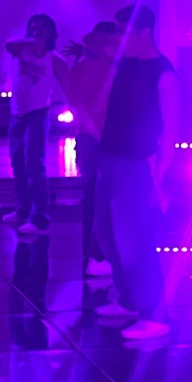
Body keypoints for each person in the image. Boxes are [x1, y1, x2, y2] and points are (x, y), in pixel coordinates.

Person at [94, 3, 178, 339]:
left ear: (143, 32)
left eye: (123, 31)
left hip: (137, 165)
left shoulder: (164, 74)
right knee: (107, 235)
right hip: (111, 158)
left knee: (136, 242)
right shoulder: (127, 65)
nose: (118, 38)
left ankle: (155, 315)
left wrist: (161, 180)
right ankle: (129, 300)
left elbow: (171, 131)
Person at [4, 14, 67, 236]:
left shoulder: (54, 59)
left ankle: (40, 216)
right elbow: (9, 45)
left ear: (50, 32)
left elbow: (68, 84)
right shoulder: (21, 50)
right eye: (33, 28)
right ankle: (23, 208)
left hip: (38, 113)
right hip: (17, 113)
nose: (36, 32)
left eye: (41, 29)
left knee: (34, 163)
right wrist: (30, 42)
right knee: (17, 162)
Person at [64, 22, 118, 278]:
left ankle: (95, 254)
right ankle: (97, 254)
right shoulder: (90, 69)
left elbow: (79, 108)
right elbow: (81, 110)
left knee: (97, 197)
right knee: (99, 197)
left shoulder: (106, 67)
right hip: (98, 141)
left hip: (100, 140)